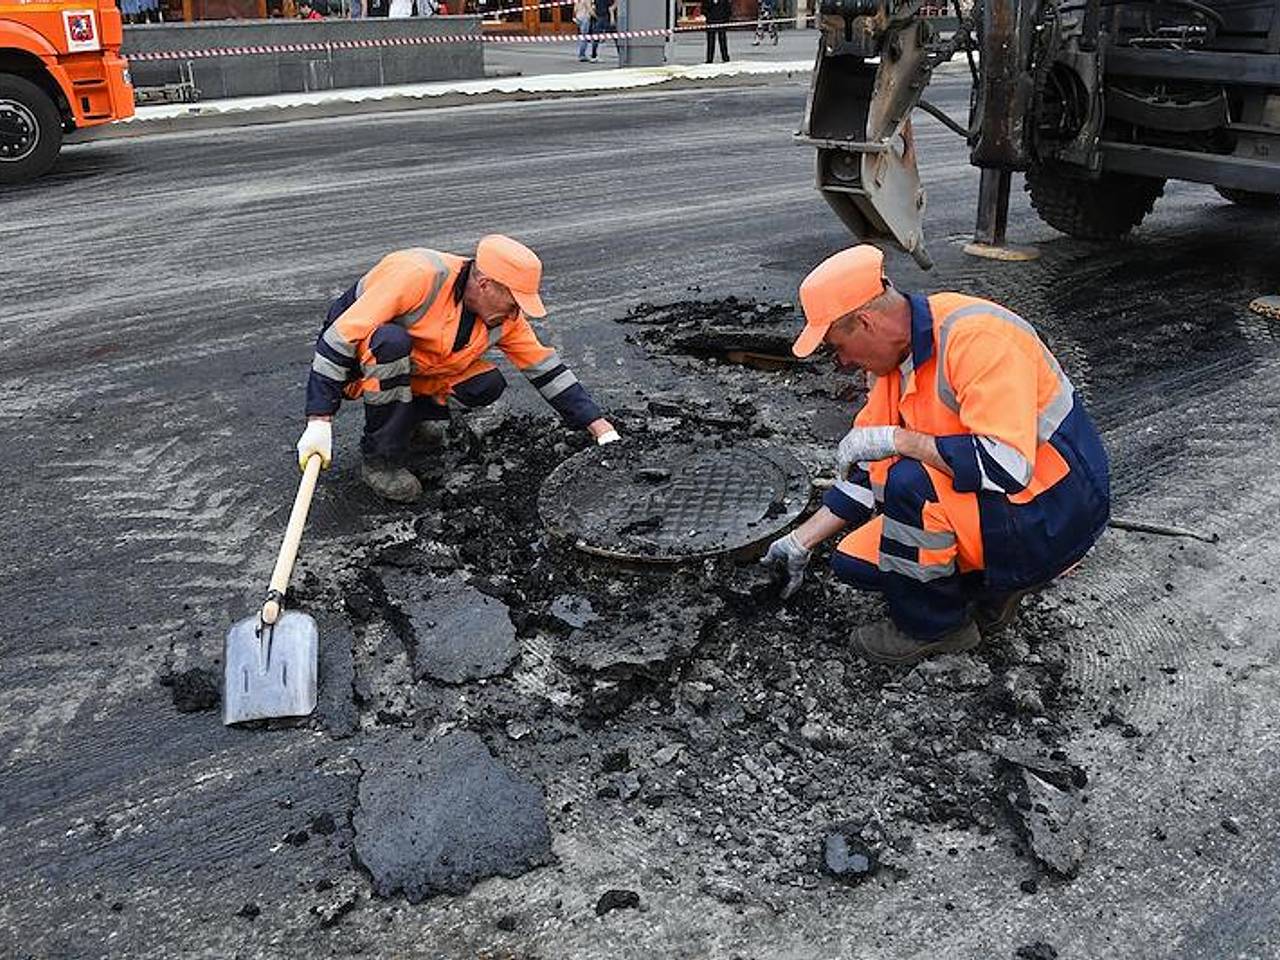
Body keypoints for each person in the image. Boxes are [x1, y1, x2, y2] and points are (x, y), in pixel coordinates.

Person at [761, 245, 1110, 664]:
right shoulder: (894, 365)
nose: (844, 362)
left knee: (912, 484)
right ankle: (994, 588)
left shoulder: (977, 338)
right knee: (854, 561)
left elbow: (1007, 467)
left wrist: (902, 441)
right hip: (998, 507)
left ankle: (936, 629)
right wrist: (800, 541)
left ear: (867, 322)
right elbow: (870, 472)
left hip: (1051, 510)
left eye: (840, 346)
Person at [297, 236, 620, 502]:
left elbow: (544, 368)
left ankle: (411, 421)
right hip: (364, 357)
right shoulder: (418, 275)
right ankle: (381, 461)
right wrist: (320, 419)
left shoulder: (504, 317)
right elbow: (339, 339)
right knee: (390, 342)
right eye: (513, 303)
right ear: (485, 284)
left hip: (421, 364)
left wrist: (601, 428)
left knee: (485, 383)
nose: (514, 314)